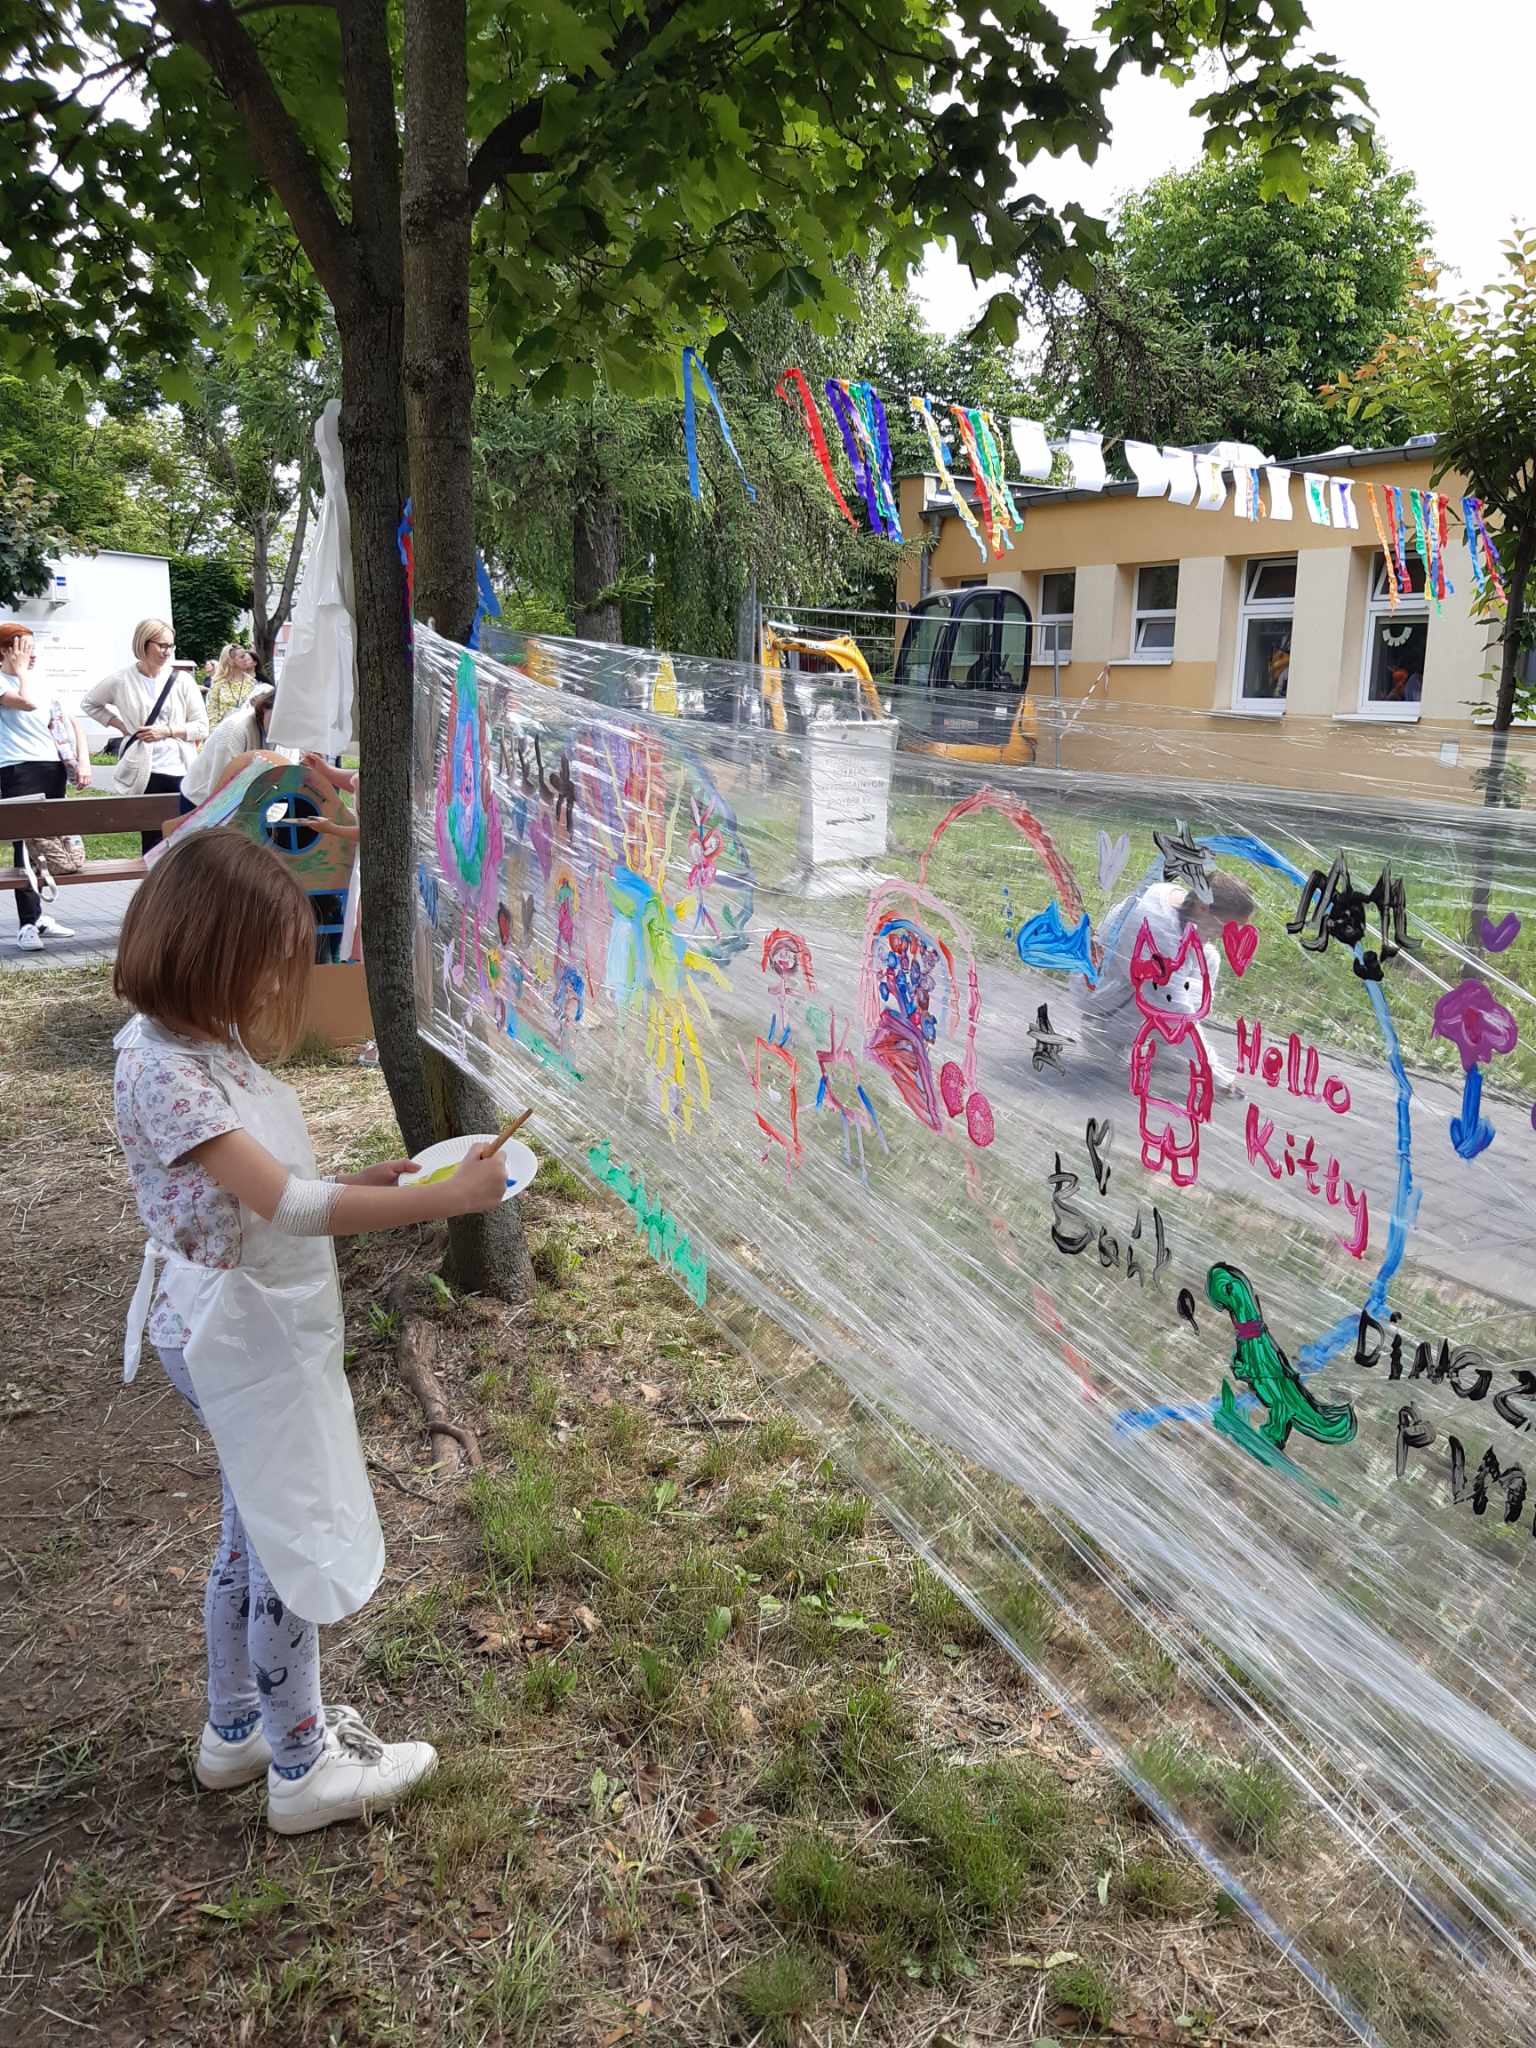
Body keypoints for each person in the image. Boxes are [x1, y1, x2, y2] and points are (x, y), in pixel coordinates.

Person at [112, 827, 509, 1835]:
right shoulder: (166, 1072)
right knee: (288, 1539)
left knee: (251, 1528)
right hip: (233, 1332)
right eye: (261, 964)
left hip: (234, 1322)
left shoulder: (192, 1042)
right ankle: (302, 1764)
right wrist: (440, 1199)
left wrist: (365, 1181)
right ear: (205, 950)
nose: (268, 987)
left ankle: (235, 1729)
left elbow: (266, 1187)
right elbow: (285, 1206)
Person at [1079, 869, 1256, 1088]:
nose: (1227, 935)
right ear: (1202, 906)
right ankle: (1105, 1038)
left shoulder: (1177, 900)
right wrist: (1216, 1076)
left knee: (1209, 958)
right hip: (1103, 1002)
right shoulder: (1159, 933)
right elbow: (1176, 1011)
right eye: (1226, 926)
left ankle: (1164, 1046)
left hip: (1124, 982)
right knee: (1170, 1003)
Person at [80, 619, 209, 851]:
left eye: (170, 646)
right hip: (144, 771)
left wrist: (167, 731)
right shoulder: (121, 680)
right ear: (144, 643)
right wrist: (122, 726)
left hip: (181, 769)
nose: (167, 651)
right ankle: (154, 875)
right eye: (161, 645)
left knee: (184, 838)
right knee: (152, 840)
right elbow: (90, 704)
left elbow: (201, 727)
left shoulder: (182, 681)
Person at [1, 622, 82, 951]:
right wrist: (20, 671)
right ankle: (27, 924)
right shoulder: (5, 681)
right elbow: (26, 703)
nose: (31, 654)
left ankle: (39, 916)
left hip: (52, 766)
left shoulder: (41, 682)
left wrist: (81, 762)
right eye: (24, 648)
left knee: (47, 843)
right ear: (4, 651)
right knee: (24, 845)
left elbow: (65, 722)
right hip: (18, 767)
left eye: (33, 648)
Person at [179, 684, 279, 810]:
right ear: (265, 708)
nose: (280, 724)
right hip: (201, 800)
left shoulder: (288, 739)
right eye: (278, 716)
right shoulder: (234, 729)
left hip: (249, 799)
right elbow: (219, 791)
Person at [207, 642, 260, 726]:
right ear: (231, 661)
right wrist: (214, 732)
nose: (246, 659)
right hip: (224, 730)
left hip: (247, 729)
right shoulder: (218, 684)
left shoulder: (252, 682)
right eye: (242, 657)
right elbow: (212, 713)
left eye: (245, 656)